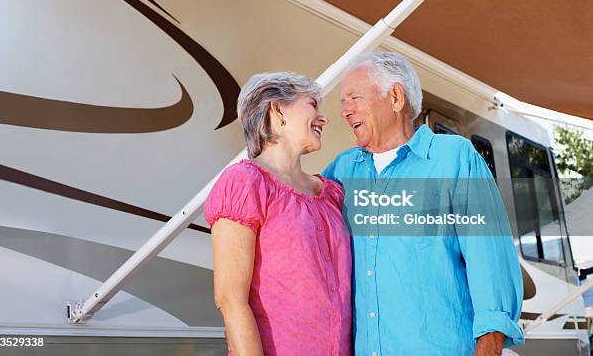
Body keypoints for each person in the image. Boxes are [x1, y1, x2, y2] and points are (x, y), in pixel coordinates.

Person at [323, 52, 524, 355]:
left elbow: (489, 259)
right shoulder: (341, 171)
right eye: (343, 103)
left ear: (395, 97)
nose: (345, 111)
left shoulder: (454, 158)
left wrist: (490, 341)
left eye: (354, 98)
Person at [205, 72, 352, 356]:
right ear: (277, 109)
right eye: (312, 105)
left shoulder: (332, 193)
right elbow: (230, 298)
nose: (324, 118)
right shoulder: (245, 182)